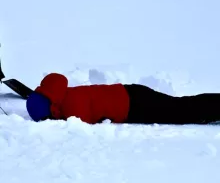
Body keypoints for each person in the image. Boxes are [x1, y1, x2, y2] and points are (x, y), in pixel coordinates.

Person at [26, 73, 220, 125]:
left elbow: (78, 125)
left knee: (182, 112)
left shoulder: (71, 106)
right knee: (181, 107)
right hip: (132, 95)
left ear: (52, 109)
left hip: (134, 105)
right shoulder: (64, 94)